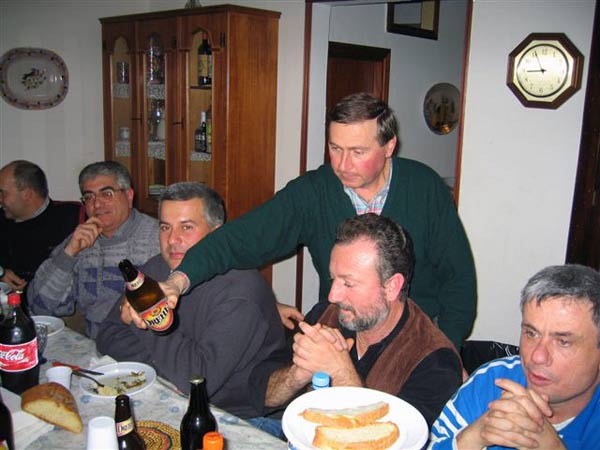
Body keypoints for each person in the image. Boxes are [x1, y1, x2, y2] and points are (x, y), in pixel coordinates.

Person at [143, 92, 476, 349]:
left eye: (358, 152)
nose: (342, 164)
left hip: (415, 337)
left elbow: (459, 279)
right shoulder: (313, 192)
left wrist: (446, 348)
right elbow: (239, 239)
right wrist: (177, 282)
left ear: (389, 146)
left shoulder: (425, 187)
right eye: (335, 148)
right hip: (343, 337)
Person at [96, 182, 286, 420]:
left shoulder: (241, 291)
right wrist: (166, 370)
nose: (172, 239)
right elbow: (108, 335)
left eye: (186, 227)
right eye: (165, 227)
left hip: (237, 418)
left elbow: (196, 380)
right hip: (172, 395)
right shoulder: (155, 269)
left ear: (217, 234)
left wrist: (146, 317)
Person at [261, 214, 463, 434]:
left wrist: (340, 372)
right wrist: (297, 374)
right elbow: (263, 395)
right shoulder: (326, 314)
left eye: (348, 284)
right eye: (333, 279)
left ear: (392, 287)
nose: (333, 296)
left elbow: (394, 440)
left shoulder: (435, 361)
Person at [429, 264, 600, 450]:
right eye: (531, 333)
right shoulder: (492, 381)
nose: (537, 356)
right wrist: (471, 438)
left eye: (563, 342)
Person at [28, 161, 158, 338]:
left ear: (128, 196)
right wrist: (68, 254)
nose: (97, 204)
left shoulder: (158, 238)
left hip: (143, 343)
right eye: (89, 197)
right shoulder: (79, 241)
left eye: (107, 194)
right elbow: (40, 307)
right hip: (94, 344)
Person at [0, 160, 82, 291]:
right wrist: (1, 273)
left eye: (3, 193)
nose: (0, 199)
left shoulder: (73, 217)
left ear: (27, 194)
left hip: (58, 300)